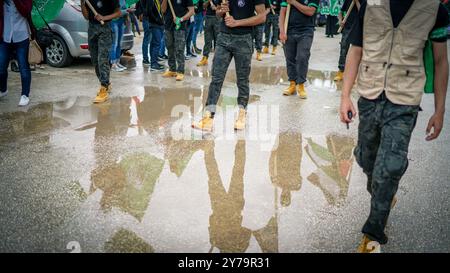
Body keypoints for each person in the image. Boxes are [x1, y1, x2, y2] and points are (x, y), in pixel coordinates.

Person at [339, 0, 449, 253]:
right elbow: (356, 49)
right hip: (369, 94)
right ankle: (385, 196)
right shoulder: (370, 4)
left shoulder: (435, 10)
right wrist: (345, 95)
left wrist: (439, 110)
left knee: (389, 168)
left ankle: (373, 235)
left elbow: (441, 61)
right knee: (366, 158)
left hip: (405, 101)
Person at [191, 0, 267, 131]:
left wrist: (237, 22)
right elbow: (218, 14)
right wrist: (221, 11)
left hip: (244, 39)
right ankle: (209, 117)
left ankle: (242, 114)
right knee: (216, 79)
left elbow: (262, 17)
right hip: (224, 38)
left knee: (242, 80)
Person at [81, 0, 121, 104]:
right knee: (95, 60)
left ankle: (104, 88)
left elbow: (118, 13)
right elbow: (86, 16)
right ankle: (105, 83)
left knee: (102, 58)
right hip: (92, 29)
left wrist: (104, 18)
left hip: (105, 28)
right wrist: (82, 2)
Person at [279, 0, 319, 99]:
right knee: (290, 58)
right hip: (289, 30)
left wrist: (293, 2)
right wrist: (282, 31)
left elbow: (310, 11)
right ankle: (292, 84)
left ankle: (300, 85)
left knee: (302, 57)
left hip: (306, 31)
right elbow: (282, 13)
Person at [0, 0, 35, 106]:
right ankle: (3, 89)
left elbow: (26, 11)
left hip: (21, 36)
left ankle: (25, 95)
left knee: (23, 67)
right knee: (1, 67)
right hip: (5, 36)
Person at [161, 0, 194, 81]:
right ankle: (172, 70)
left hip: (180, 26)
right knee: (169, 47)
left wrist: (181, 19)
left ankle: (180, 71)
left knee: (179, 49)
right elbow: (163, 10)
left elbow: (191, 11)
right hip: (168, 26)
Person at [333, 0, 363, 82]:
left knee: (358, 52)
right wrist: (340, 20)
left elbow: (363, 13)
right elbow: (340, 11)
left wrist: (357, 2)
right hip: (347, 27)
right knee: (343, 49)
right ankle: (341, 72)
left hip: (359, 28)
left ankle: (356, 75)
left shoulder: (364, 1)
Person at [136, 0, 165, 71]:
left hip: (157, 22)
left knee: (154, 42)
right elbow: (148, 11)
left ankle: (154, 61)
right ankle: (152, 63)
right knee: (155, 43)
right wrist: (157, 19)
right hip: (153, 23)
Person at [196, 0, 221, 67]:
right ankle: (205, 58)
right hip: (208, 17)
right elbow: (204, 6)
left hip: (217, 18)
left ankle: (217, 59)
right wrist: (208, 1)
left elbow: (220, 9)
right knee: (207, 39)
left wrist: (214, 7)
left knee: (218, 40)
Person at [110, 0, 132, 72]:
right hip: (113, 21)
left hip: (121, 21)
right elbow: (115, 12)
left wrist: (126, 14)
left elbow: (123, 10)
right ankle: (113, 64)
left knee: (119, 44)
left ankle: (117, 62)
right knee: (114, 43)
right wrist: (126, 11)